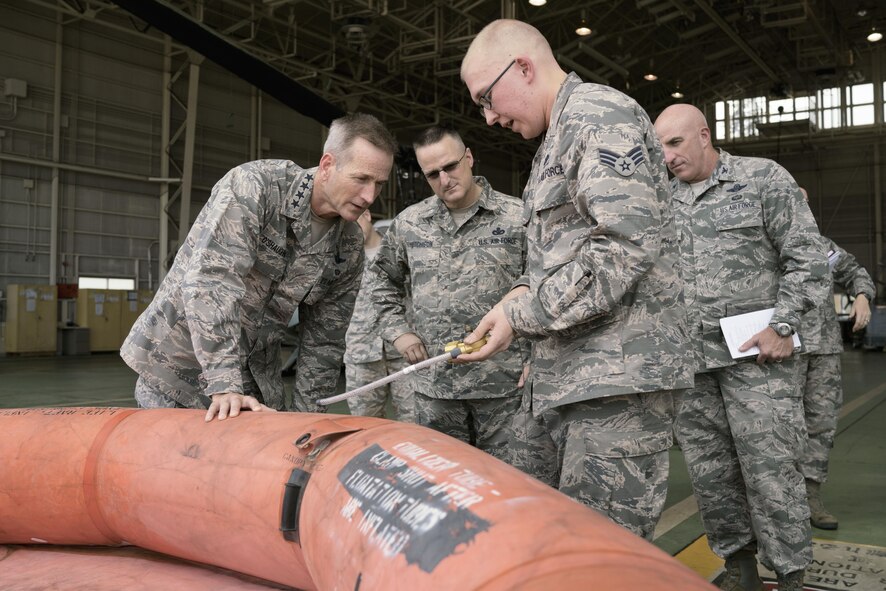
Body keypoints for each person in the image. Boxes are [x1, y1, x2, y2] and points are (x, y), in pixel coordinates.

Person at [458, 19, 692, 541]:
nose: (490, 118)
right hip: (568, 376)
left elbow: (624, 244)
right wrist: (517, 299)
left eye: (486, 99)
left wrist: (522, 315)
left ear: (523, 67)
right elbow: (556, 255)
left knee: (601, 556)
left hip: (617, 382)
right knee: (547, 540)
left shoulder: (598, 116)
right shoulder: (555, 137)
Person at [653, 104, 829, 591]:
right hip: (692, 364)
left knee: (772, 472)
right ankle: (739, 570)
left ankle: (791, 577)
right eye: (659, 147)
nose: (666, 157)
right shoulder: (659, 201)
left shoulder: (761, 179)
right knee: (712, 476)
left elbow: (808, 257)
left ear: (704, 136)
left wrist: (785, 325)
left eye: (675, 143)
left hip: (759, 360)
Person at [121, 113, 398, 421]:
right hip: (180, 369)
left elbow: (324, 342)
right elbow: (213, 281)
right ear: (328, 165)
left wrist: (306, 418)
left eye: (379, 184)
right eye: (361, 179)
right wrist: (224, 382)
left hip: (254, 380)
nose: (370, 196)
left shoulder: (348, 246)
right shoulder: (257, 187)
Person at [366, 125, 527, 461]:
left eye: (450, 167)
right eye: (432, 174)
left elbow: (542, 286)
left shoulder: (518, 218)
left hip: (505, 387)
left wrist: (538, 361)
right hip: (436, 390)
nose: (444, 179)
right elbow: (381, 281)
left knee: (510, 487)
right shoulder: (411, 224)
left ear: (468, 158)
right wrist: (400, 333)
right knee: (443, 485)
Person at [797, 188, 875, 530]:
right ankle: (774, 501)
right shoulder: (761, 247)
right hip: (782, 352)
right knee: (775, 429)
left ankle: (810, 495)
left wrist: (862, 296)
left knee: (821, 423)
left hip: (824, 350)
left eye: (804, 203)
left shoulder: (821, 246)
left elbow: (854, 270)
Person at [343, 211, 415, 421]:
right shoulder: (341, 259)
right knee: (364, 423)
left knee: (415, 421)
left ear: (366, 215)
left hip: (404, 352)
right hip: (360, 353)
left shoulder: (399, 251)